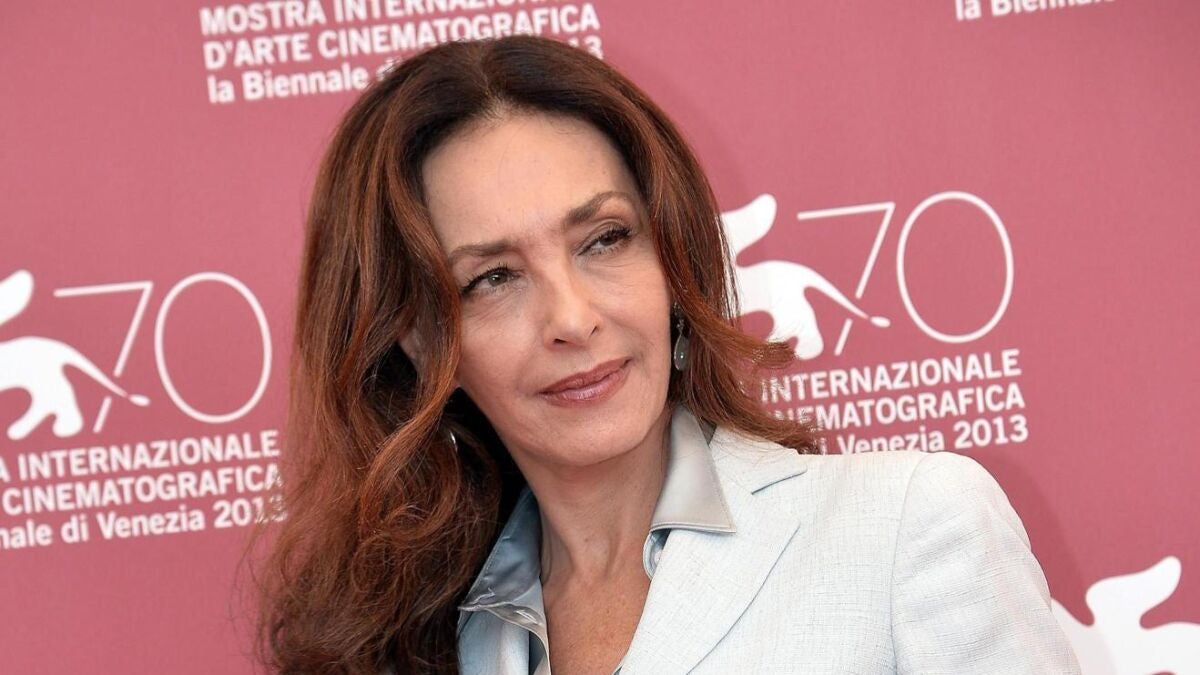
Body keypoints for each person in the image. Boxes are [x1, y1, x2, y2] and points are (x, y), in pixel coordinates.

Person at [251, 35, 1082, 674]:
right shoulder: (415, 639)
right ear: (421, 339)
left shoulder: (907, 526)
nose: (572, 318)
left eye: (605, 238)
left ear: (673, 258)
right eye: (493, 278)